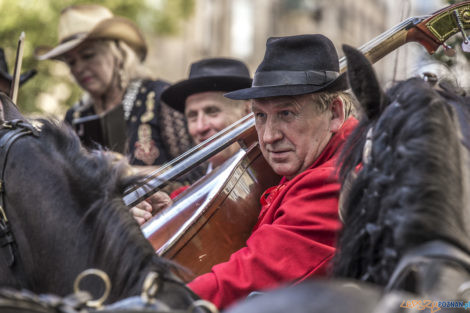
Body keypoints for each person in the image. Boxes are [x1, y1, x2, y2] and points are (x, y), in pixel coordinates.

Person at [184, 34, 358, 309]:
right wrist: (172, 205)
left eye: (286, 113)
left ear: (334, 113)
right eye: (260, 115)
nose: (267, 137)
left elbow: (247, 278)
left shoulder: (333, 178)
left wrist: (163, 301)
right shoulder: (312, 153)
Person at [35, 4, 193, 168]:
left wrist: (128, 174)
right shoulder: (75, 117)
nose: (79, 68)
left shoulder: (161, 97)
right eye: (71, 62)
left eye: (88, 55)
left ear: (117, 54)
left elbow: (194, 174)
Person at [131, 57, 252, 225]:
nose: (200, 127)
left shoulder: (276, 177)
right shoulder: (182, 198)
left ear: (247, 112)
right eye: (192, 116)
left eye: (212, 111)